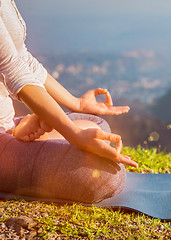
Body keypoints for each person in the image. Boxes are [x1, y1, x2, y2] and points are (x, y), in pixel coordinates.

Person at [0, 0, 137, 203]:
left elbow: (21, 58)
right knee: (105, 175)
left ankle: (18, 137)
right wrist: (73, 134)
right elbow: (13, 70)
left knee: (96, 125)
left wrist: (76, 104)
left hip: (6, 125)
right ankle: (18, 142)